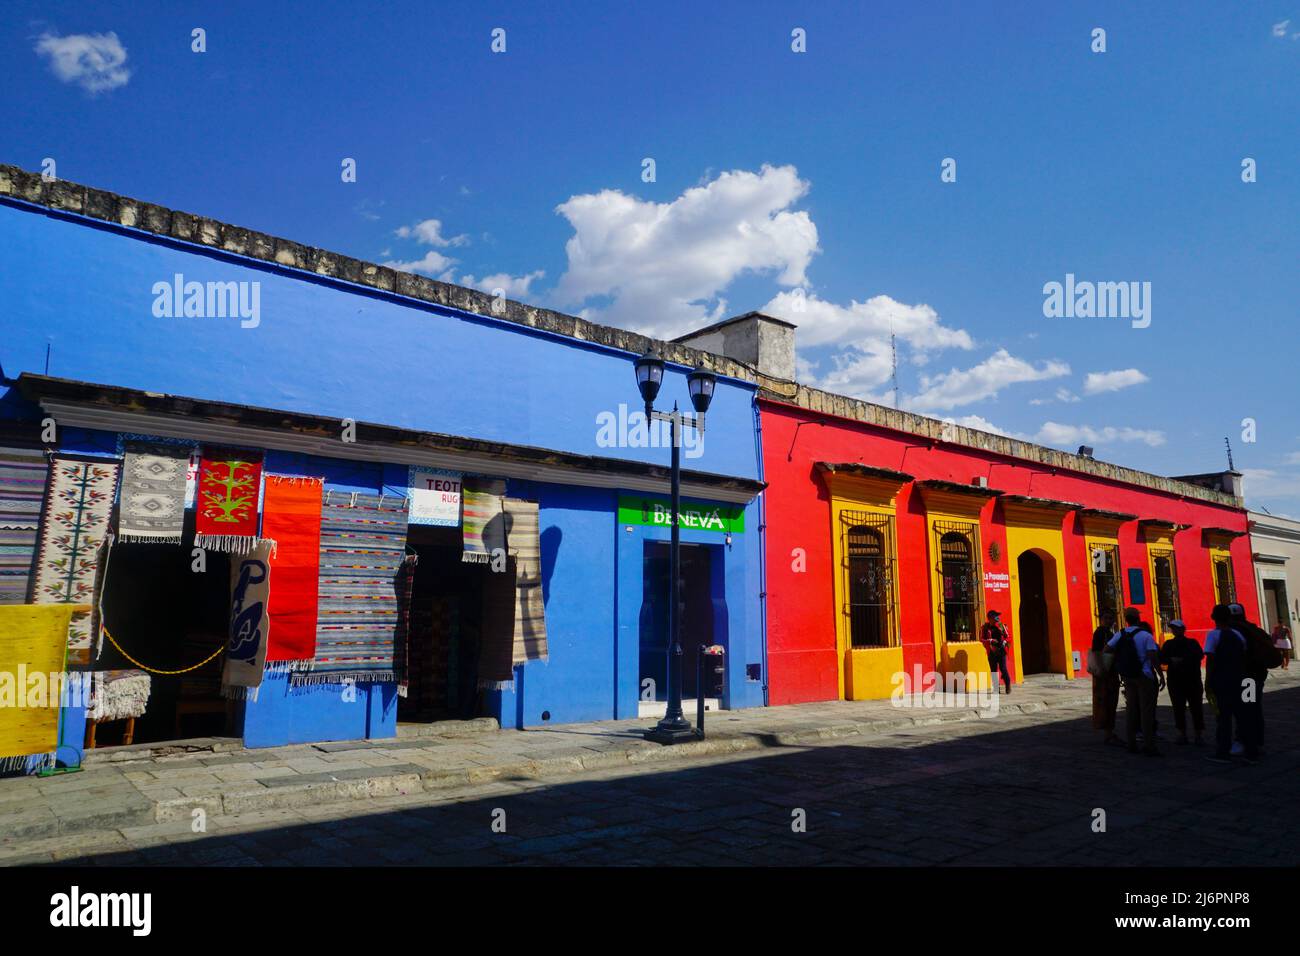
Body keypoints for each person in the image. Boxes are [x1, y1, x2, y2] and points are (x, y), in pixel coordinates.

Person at [1107, 607, 1163, 756]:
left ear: (1126, 619)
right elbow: (1152, 655)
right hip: (1144, 675)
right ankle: (1149, 744)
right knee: (1146, 711)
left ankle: (1131, 743)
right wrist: (1160, 674)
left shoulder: (1120, 634)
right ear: (1138, 618)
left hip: (1127, 676)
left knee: (1131, 710)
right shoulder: (1145, 635)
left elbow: (1107, 649)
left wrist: (1119, 659)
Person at [1204, 604, 1255, 764]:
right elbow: (1244, 655)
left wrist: (1208, 681)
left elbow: (1210, 660)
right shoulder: (1238, 635)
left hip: (1223, 681)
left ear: (1214, 618)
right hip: (1243, 680)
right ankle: (1251, 750)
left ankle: (1223, 751)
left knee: (1223, 717)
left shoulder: (1213, 635)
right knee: (1244, 716)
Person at [1157, 620, 1204, 745]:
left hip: (1192, 679)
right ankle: (1182, 734)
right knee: (1178, 708)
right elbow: (1161, 658)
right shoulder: (1168, 644)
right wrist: (1171, 660)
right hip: (1175, 681)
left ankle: (1198, 735)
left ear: (1183, 629)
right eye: (1173, 628)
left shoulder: (1192, 643)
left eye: (1177, 628)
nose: (1175, 631)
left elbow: (1200, 656)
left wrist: (1183, 660)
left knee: (1196, 708)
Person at [1089, 608, 1122, 745]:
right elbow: (1097, 652)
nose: (1109, 621)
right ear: (1101, 619)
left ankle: (1109, 732)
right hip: (1105, 674)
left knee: (1109, 702)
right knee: (1107, 702)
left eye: (1111, 618)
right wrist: (1102, 669)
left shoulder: (1109, 633)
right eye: (1106, 618)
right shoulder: (1101, 633)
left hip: (1107, 673)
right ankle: (1108, 732)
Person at [979, 610, 1012, 694]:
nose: (997, 618)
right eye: (995, 617)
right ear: (990, 618)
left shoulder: (1001, 626)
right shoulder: (985, 628)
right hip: (991, 651)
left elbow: (1008, 637)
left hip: (1001, 651)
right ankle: (996, 689)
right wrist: (990, 641)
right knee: (993, 670)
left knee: (1003, 669)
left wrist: (1004, 642)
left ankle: (1008, 686)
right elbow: (981, 639)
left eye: (998, 616)